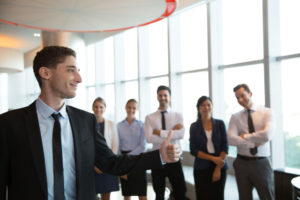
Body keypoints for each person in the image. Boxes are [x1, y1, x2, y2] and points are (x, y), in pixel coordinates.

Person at [0, 46, 180, 200]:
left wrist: (159, 156)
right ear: (45, 73)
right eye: (71, 70)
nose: (79, 78)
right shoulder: (9, 124)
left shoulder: (85, 121)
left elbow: (111, 162)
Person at [227, 84, 275, 200]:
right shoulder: (235, 117)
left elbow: (267, 135)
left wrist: (245, 137)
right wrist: (253, 142)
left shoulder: (267, 112)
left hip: (261, 163)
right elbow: (230, 139)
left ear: (250, 94)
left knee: (267, 197)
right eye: (237, 98)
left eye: (242, 96)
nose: (240, 100)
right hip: (241, 163)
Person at [144, 85, 187, 200]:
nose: (163, 97)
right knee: (159, 193)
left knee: (180, 192)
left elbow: (181, 134)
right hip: (157, 158)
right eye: (160, 95)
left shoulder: (177, 115)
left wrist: (160, 132)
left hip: (175, 157)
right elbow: (149, 138)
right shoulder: (150, 117)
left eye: (165, 95)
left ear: (170, 97)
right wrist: (172, 133)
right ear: (157, 97)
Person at [189, 96, 228, 200]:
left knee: (218, 196)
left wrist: (218, 167)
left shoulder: (220, 124)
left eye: (208, 105)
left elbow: (225, 146)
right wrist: (213, 159)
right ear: (198, 108)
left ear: (212, 107)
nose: (206, 107)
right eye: (202, 105)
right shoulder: (194, 126)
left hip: (220, 165)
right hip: (201, 167)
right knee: (202, 196)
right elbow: (193, 150)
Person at [117, 99, 147, 200]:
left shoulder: (142, 125)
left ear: (137, 109)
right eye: (129, 107)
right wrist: (121, 161)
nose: (131, 110)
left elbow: (142, 146)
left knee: (142, 192)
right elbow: (118, 145)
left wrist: (129, 157)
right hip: (124, 160)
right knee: (127, 192)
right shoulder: (119, 125)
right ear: (126, 108)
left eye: (134, 108)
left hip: (139, 159)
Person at [92, 97, 119, 200]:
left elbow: (115, 146)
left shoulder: (112, 124)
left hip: (108, 165)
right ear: (92, 108)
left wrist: (106, 164)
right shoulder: (88, 123)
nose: (98, 109)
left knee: (106, 195)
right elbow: (86, 147)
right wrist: (94, 165)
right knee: (92, 194)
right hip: (92, 165)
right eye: (96, 106)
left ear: (105, 108)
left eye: (101, 107)